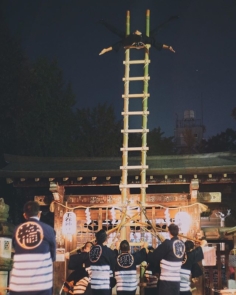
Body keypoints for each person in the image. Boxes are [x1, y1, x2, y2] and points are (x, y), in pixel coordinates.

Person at [9, 201, 56, 295]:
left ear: (25, 215)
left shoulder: (16, 230)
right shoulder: (48, 229)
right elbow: (53, 256)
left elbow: (16, 248)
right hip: (41, 285)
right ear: (39, 214)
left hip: (18, 285)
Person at [98, 19, 176, 55]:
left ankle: (171, 19)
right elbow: (158, 44)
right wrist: (168, 47)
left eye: (137, 32)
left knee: (158, 30)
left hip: (133, 40)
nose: (137, 30)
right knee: (157, 31)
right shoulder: (133, 39)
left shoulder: (130, 39)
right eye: (136, 32)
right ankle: (103, 22)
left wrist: (106, 50)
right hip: (134, 39)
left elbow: (118, 45)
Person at [148, 223, 185, 295]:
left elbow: (154, 257)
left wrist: (147, 253)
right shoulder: (182, 244)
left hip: (166, 281)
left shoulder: (167, 244)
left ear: (169, 231)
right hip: (176, 280)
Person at [89, 229, 116, 295]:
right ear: (105, 239)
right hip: (104, 284)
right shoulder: (107, 251)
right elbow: (113, 263)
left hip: (94, 284)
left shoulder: (92, 250)